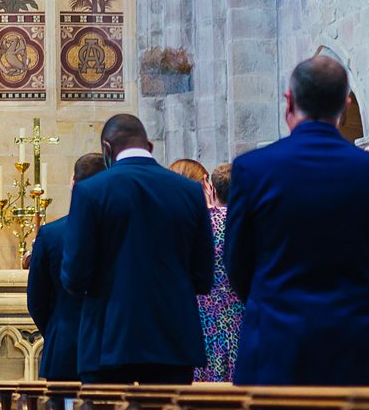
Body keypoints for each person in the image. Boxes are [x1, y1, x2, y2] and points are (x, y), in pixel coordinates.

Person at [225, 57, 369, 387]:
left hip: (277, 345)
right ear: (345, 105)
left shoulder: (253, 170)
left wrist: (272, 300)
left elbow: (237, 265)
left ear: (289, 101)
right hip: (359, 348)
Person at [62, 114, 212, 385]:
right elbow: (203, 277)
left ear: (106, 149)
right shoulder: (189, 191)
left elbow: (75, 277)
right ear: (149, 146)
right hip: (173, 341)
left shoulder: (91, 192)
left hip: (108, 341)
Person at [27, 153, 108, 382]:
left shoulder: (50, 234)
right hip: (111, 350)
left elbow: (37, 301)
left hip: (65, 348)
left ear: (73, 183)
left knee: (63, 407)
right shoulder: (122, 232)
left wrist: (57, 330)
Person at [170, 158, 244, 384]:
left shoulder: (175, 227)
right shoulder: (232, 221)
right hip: (237, 322)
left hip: (194, 328)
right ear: (206, 183)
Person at [192, 162, 244, 382]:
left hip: (206, 322)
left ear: (212, 189)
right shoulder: (243, 222)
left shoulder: (200, 222)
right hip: (240, 318)